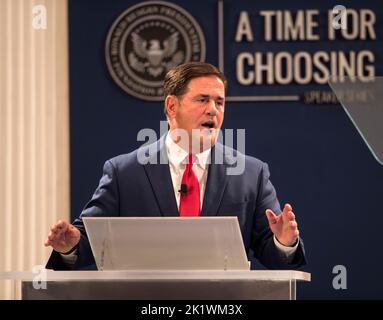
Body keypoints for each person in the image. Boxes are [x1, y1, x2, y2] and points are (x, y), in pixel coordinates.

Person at [45, 62, 306, 270]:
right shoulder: (125, 172)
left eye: (219, 102)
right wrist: (70, 245)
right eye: (202, 100)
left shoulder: (252, 174)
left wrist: (284, 243)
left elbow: (272, 256)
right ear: (172, 106)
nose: (213, 110)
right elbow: (90, 242)